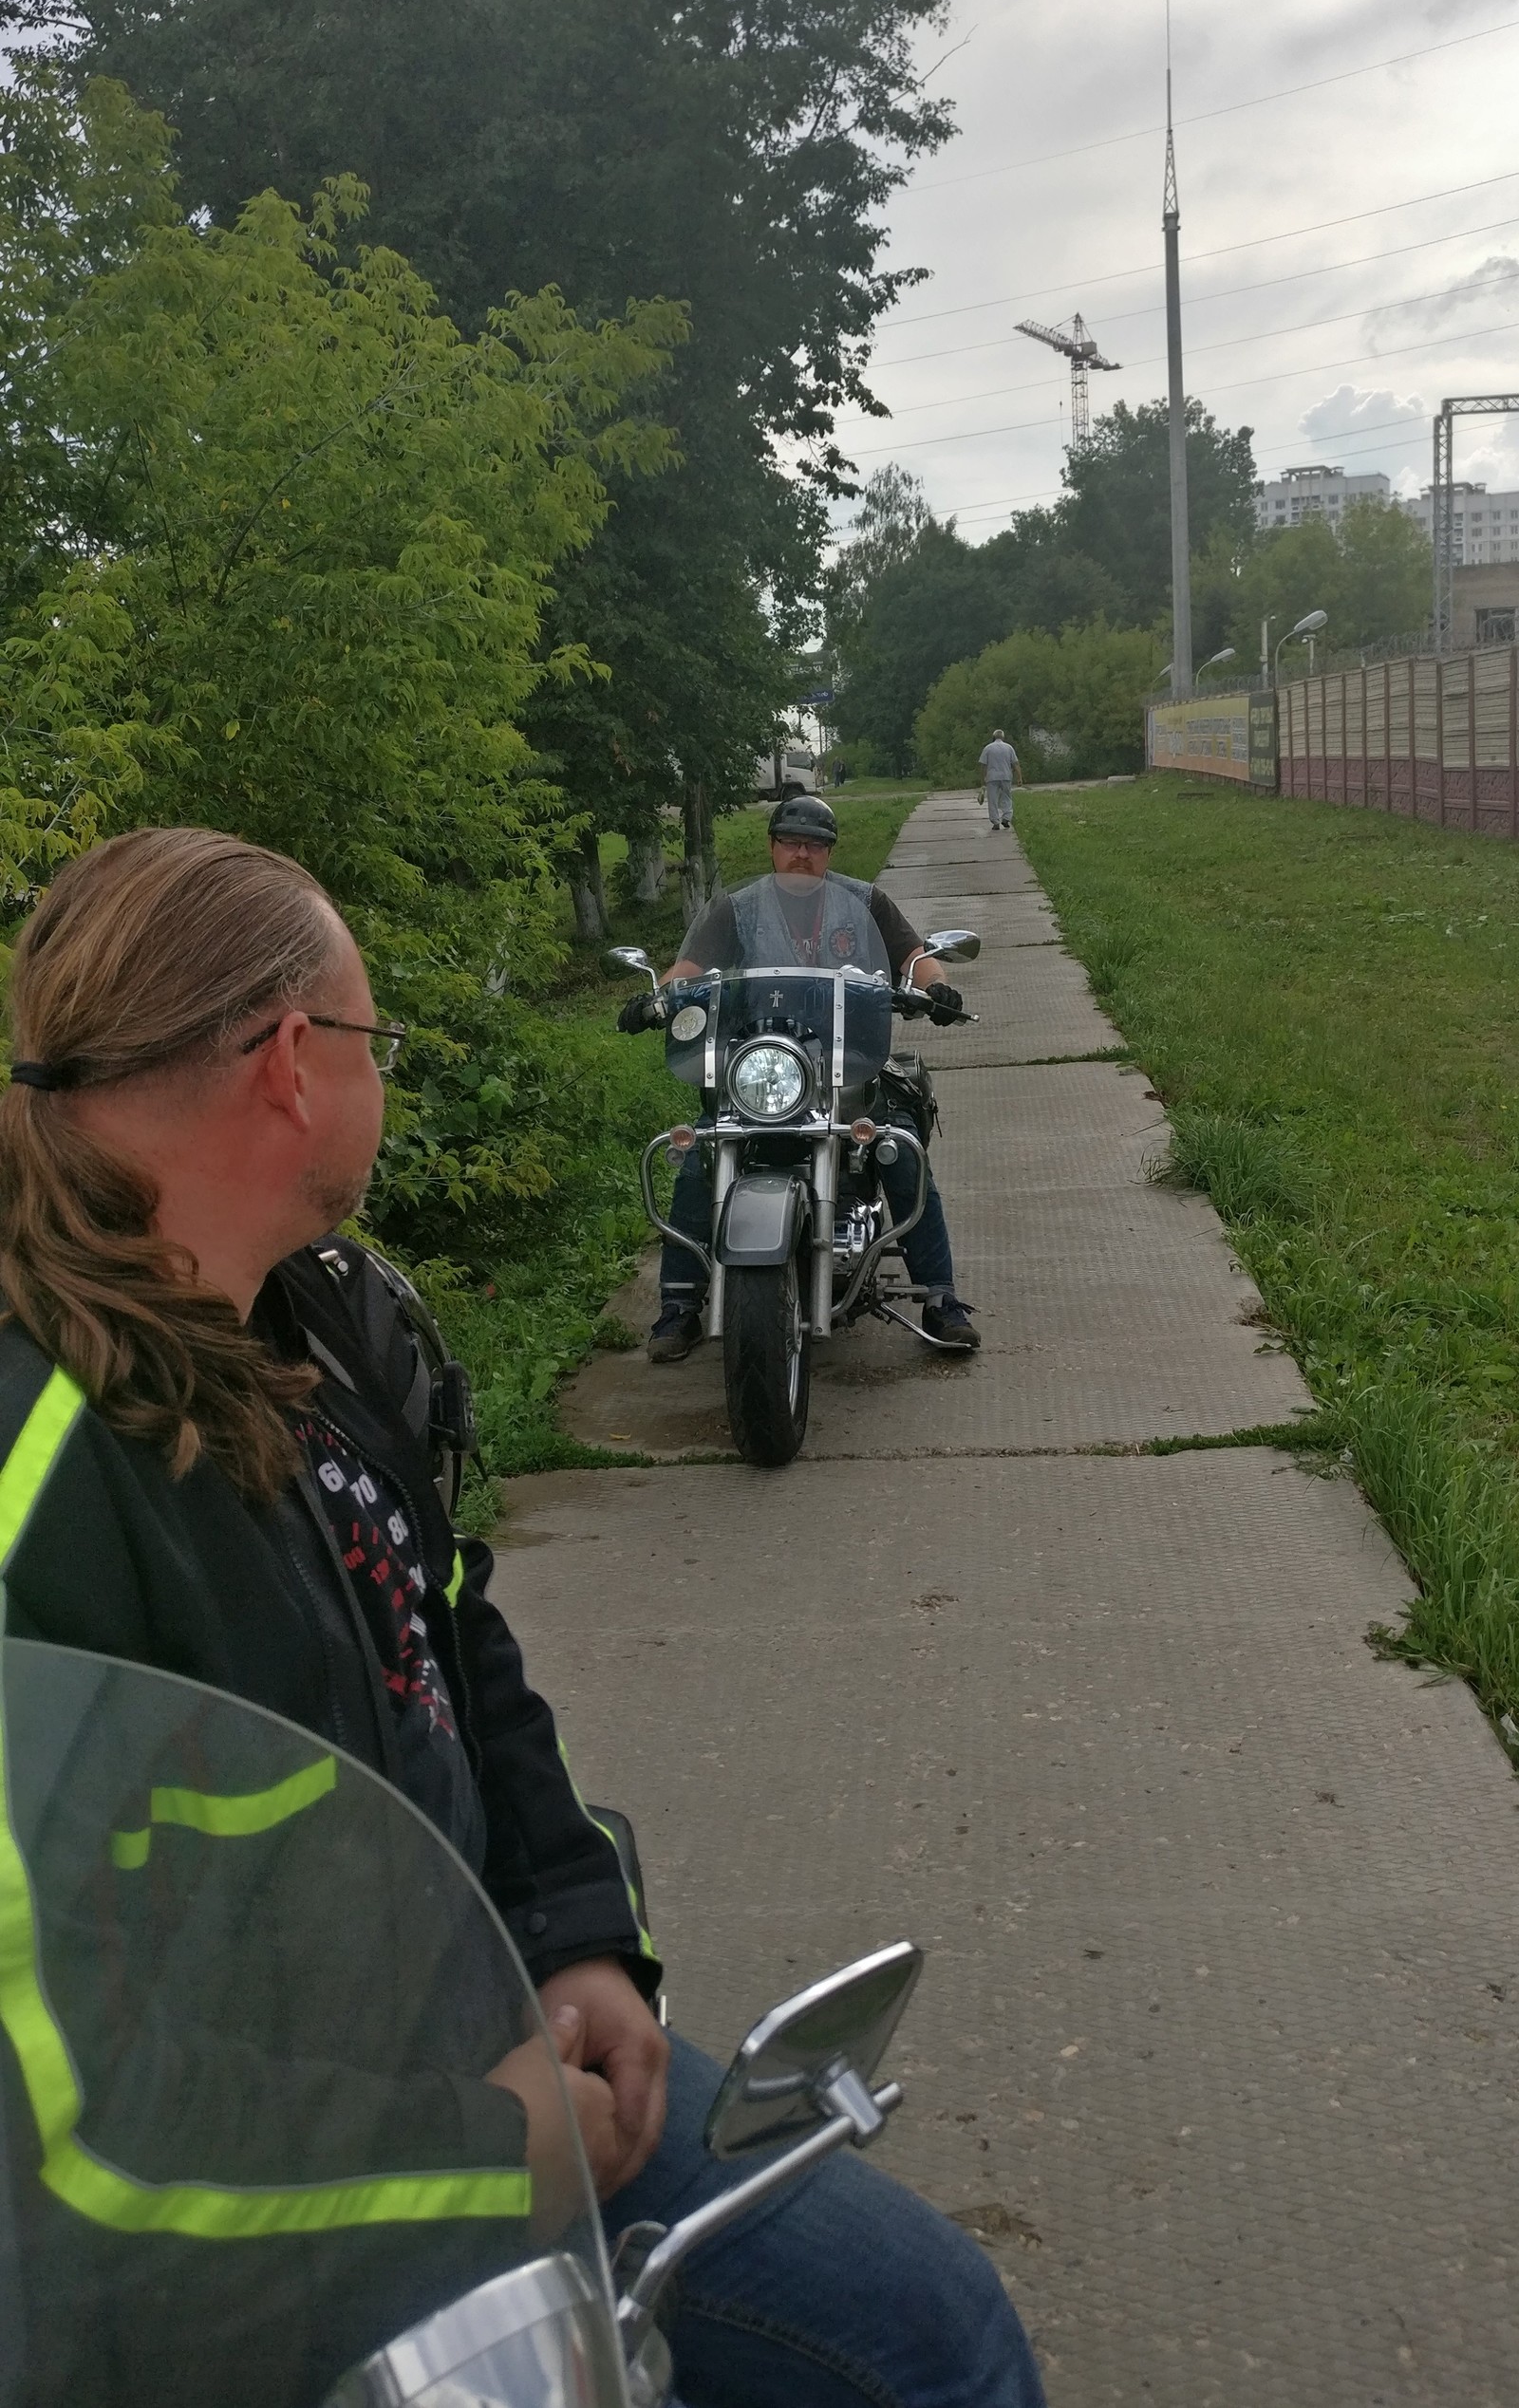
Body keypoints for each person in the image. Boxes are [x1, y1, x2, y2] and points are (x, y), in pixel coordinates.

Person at [0, 826, 1043, 2408]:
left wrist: (580, 1936)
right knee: (922, 2357)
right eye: (374, 1040)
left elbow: (448, 1638)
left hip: (497, 2046)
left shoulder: (321, 1313)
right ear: (292, 1061)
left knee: (933, 2319)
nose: (382, 1075)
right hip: (281, 2223)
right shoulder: (42, 1488)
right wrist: (495, 2144)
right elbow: (61, 2132)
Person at [620, 793, 981, 1358]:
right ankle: (680, 1306)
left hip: (848, 1059)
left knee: (899, 1151)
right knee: (702, 1154)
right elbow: (689, 971)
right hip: (763, 1064)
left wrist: (932, 986)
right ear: (772, 846)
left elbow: (911, 954)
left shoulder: (864, 901)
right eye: (791, 842)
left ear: (829, 851)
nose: (802, 854)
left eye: (814, 845)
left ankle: (941, 1297)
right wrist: (656, 999)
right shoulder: (735, 909)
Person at [978, 730, 1022, 830]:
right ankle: (1006, 817)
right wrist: (1019, 777)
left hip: (992, 777)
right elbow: (1015, 764)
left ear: (993, 737)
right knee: (1007, 797)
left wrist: (982, 781)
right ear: (1003, 737)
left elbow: (983, 766)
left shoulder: (988, 748)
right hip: (1006, 776)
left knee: (992, 800)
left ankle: (995, 821)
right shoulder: (1009, 748)